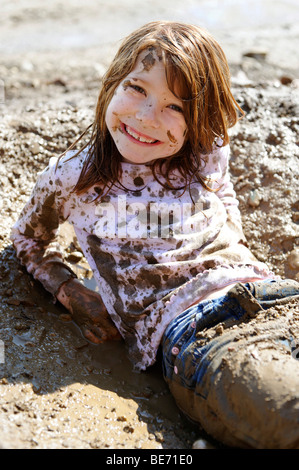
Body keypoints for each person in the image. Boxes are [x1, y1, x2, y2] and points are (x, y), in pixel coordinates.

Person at [10, 21, 299, 448]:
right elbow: (27, 242)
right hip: (201, 334)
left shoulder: (204, 151)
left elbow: (226, 196)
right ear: (113, 82)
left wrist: (235, 251)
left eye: (176, 108)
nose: (147, 118)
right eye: (137, 88)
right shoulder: (73, 177)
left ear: (197, 118)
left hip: (277, 296)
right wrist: (72, 292)